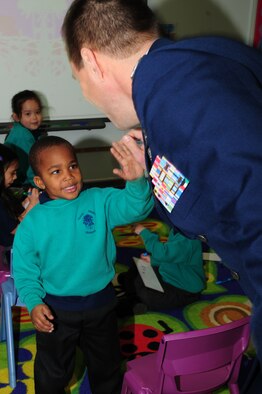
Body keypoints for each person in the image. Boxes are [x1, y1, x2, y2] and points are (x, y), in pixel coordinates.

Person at [61, 0, 262, 381]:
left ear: (91, 60)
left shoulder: (181, 98)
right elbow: (198, 210)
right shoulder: (183, 72)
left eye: (78, 79)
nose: (86, 93)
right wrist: (151, 168)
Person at [12, 135, 154, 394]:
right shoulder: (33, 223)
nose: (68, 176)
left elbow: (137, 207)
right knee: (53, 373)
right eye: (56, 171)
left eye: (72, 166)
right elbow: (23, 269)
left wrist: (136, 181)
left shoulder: (99, 200)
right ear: (40, 182)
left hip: (101, 303)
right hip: (56, 309)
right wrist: (34, 302)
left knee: (107, 367)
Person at [116, 223, 206, 315]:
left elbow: (163, 253)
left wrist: (144, 232)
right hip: (170, 275)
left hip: (184, 290)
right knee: (139, 264)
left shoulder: (188, 240)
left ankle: (135, 300)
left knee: (147, 296)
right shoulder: (179, 230)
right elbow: (173, 257)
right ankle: (132, 288)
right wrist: (153, 260)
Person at [0, 143, 39, 248]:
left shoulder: (5, 193)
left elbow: (12, 216)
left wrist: (27, 203)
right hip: (8, 251)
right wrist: (33, 205)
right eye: (12, 173)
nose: (16, 177)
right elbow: (16, 229)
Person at [5, 89, 45, 187]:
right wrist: (40, 187)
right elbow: (30, 167)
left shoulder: (19, 130)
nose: (34, 117)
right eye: (28, 114)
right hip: (21, 185)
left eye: (38, 112)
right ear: (16, 117)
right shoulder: (23, 135)